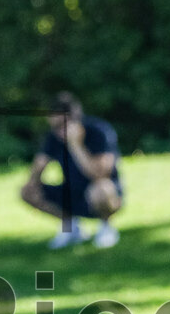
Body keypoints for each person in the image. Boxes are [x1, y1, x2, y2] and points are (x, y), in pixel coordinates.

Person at [19, 92, 123, 249]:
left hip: (101, 192)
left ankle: (106, 228)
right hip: (72, 191)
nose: (59, 131)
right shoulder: (54, 137)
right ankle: (71, 227)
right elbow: (40, 163)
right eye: (55, 126)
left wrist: (76, 145)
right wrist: (34, 179)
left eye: (63, 125)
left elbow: (100, 174)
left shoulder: (98, 131)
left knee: (102, 188)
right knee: (27, 191)